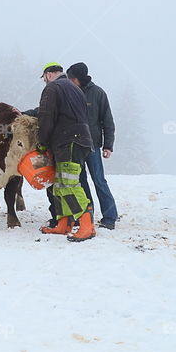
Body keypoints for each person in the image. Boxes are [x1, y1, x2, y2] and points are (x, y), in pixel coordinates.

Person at [35, 62, 95, 241]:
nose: (44, 81)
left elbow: (46, 117)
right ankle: (63, 224)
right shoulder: (74, 88)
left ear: (49, 74)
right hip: (79, 139)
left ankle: (87, 226)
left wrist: (42, 143)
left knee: (69, 183)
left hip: (68, 140)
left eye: (43, 77)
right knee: (60, 185)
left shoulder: (53, 88)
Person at [66, 62, 119, 230]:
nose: (69, 80)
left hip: (93, 146)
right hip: (75, 146)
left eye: (71, 78)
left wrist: (108, 145)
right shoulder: (69, 93)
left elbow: (108, 121)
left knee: (99, 180)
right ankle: (85, 216)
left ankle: (110, 217)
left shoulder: (98, 93)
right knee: (79, 182)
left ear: (77, 78)